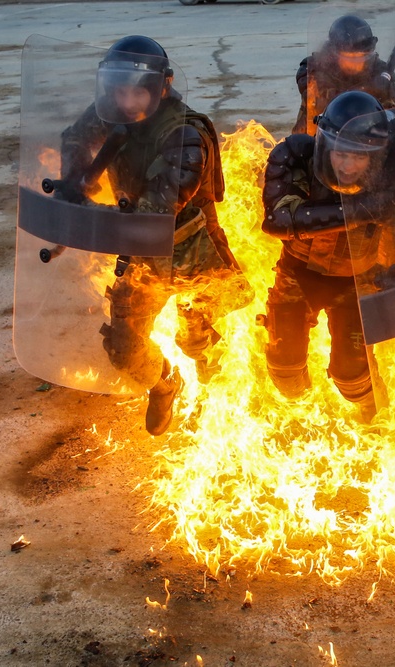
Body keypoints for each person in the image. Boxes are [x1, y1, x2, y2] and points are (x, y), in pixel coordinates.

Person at [59, 35, 242, 435]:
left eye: (136, 93)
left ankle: (221, 386)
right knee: (124, 352)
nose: (126, 102)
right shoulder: (111, 111)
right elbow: (74, 136)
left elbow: (154, 213)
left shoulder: (185, 135)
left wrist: (83, 212)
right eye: (118, 92)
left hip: (191, 252)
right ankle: (164, 386)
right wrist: (75, 178)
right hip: (140, 257)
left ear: (163, 85)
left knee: (198, 343)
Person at [261, 90, 392, 418]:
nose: (347, 165)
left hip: (356, 282)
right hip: (298, 272)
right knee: (285, 370)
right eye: (340, 154)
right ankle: (309, 418)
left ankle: (375, 417)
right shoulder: (295, 156)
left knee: (353, 376)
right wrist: (360, 210)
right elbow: (278, 220)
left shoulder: (392, 173)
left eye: (358, 157)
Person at [292, 14, 395, 135]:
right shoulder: (316, 68)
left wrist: (385, 92)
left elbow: (393, 119)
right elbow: (322, 97)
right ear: (334, 54)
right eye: (349, 57)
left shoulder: (382, 72)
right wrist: (368, 89)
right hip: (319, 137)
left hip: (366, 141)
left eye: (361, 57)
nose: (355, 63)